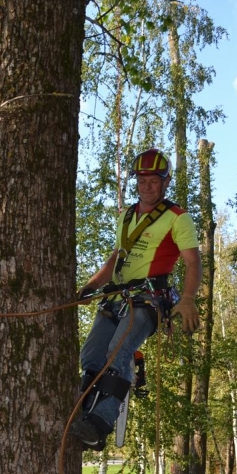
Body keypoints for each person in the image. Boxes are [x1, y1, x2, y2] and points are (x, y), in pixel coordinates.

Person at [71, 147, 202, 451]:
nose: (147, 186)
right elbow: (116, 258)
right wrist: (91, 286)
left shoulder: (177, 218)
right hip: (115, 297)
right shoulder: (127, 215)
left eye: (153, 181)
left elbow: (193, 262)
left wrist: (187, 299)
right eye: (142, 180)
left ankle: (99, 424)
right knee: (90, 357)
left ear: (165, 182)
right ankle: (82, 411)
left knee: (119, 352)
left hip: (147, 299)